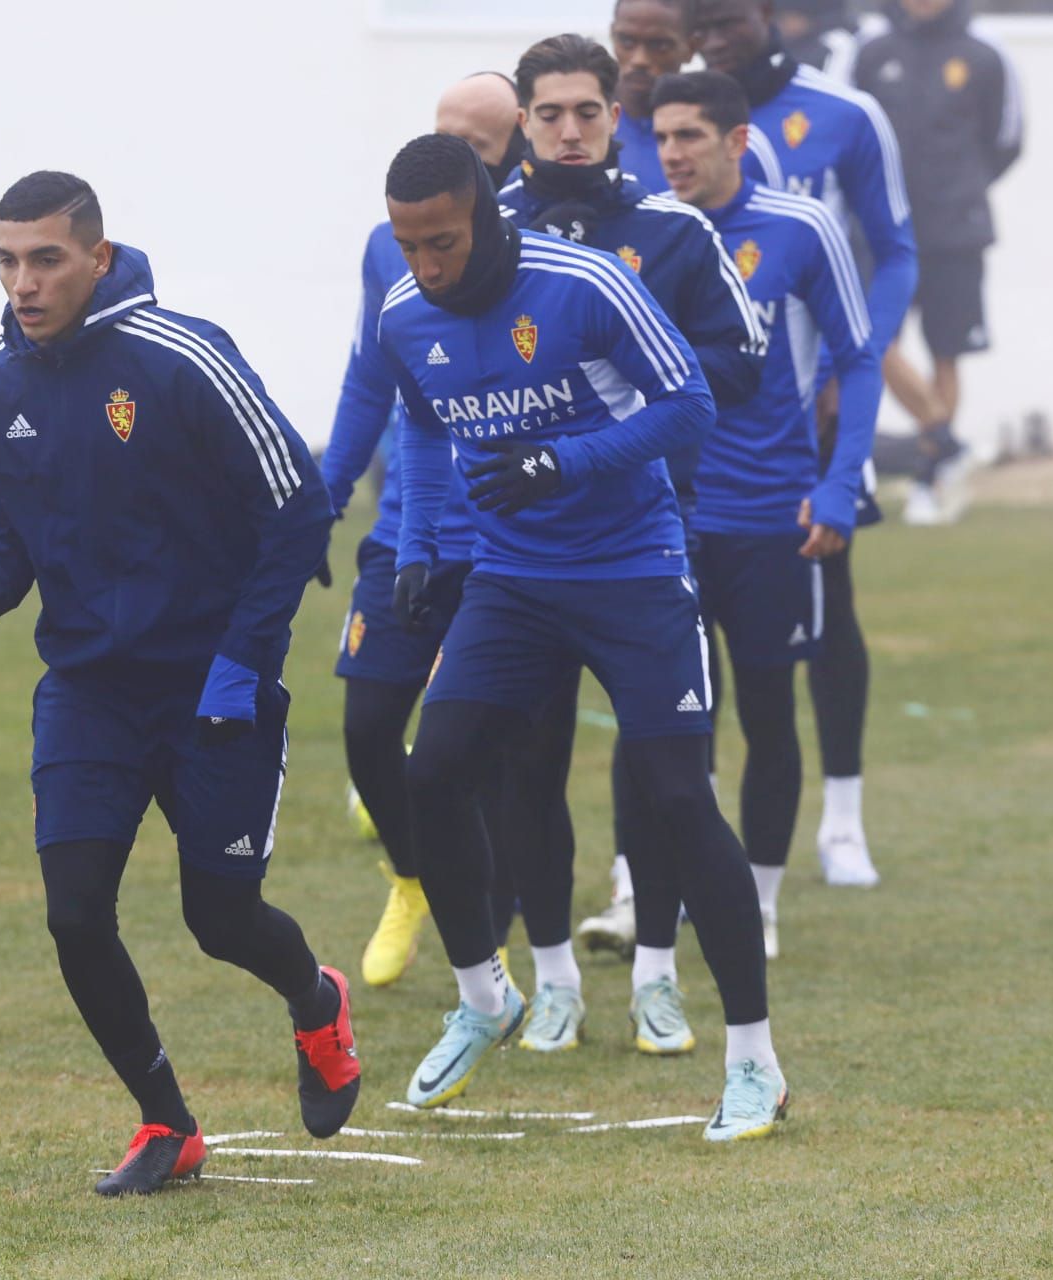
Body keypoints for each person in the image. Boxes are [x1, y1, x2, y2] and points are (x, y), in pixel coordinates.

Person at [0, 171, 358, 1197]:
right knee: (74, 913)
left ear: (98, 257)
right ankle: (167, 1121)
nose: (25, 283)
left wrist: (245, 658)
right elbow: (3, 543)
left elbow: (298, 506)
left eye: (47, 258)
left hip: (214, 687)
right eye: (8, 262)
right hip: (89, 690)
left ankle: (315, 998)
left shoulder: (183, 355)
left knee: (222, 920)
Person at [376, 133, 788, 1140]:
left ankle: (754, 1062)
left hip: (636, 572)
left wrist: (565, 461)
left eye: (443, 243)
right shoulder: (403, 314)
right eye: (408, 246)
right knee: (432, 775)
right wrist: (420, 544)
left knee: (682, 797)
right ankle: (486, 1000)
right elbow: (426, 429)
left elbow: (690, 404)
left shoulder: (587, 280)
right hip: (513, 581)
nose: (427, 267)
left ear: (485, 213)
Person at [496, 32, 763, 1055]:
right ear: (523, 120)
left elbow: (738, 364)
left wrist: (619, 360)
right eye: (550, 112)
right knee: (529, 766)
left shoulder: (674, 229)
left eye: (588, 112)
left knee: (666, 771)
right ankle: (553, 976)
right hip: (520, 547)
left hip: (651, 542)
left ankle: (658, 971)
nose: (570, 129)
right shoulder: (489, 233)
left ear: (621, 118)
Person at [653, 69, 880, 966]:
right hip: (666, 517)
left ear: (737, 141)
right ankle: (672, 894)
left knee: (768, 711)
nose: (671, 153)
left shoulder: (800, 226)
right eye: (662, 136)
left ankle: (762, 901)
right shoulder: (652, 230)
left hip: (771, 513)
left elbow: (858, 360)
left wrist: (840, 486)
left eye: (690, 138)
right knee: (673, 718)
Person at [695, 0, 916, 887]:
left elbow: (896, 249)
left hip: (808, 412)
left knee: (828, 608)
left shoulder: (845, 114)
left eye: (728, 14)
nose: (712, 30)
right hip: (702, 432)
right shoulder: (652, 124)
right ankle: (685, 843)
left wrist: (846, 354)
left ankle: (844, 818)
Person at [319, 72, 526, 989]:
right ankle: (411, 879)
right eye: (442, 136)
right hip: (410, 524)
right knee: (368, 729)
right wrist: (325, 494)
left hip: (512, 541)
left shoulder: (539, 253)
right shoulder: (388, 247)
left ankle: (500, 932)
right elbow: (372, 379)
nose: (450, 156)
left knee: (478, 753)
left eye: (474, 147)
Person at [855, 0, 1024, 524]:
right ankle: (945, 439)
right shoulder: (870, 50)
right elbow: (851, 130)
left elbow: (1007, 139)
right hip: (882, 230)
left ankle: (932, 479)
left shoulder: (985, 51)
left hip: (956, 230)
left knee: (946, 352)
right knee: (873, 340)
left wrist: (961, 189)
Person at [609, 0, 703, 191]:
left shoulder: (716, 135)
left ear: (691, 47)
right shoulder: (578, 127)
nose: (639, 59)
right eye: (627, 42)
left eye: (660, 46)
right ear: (612, 36)